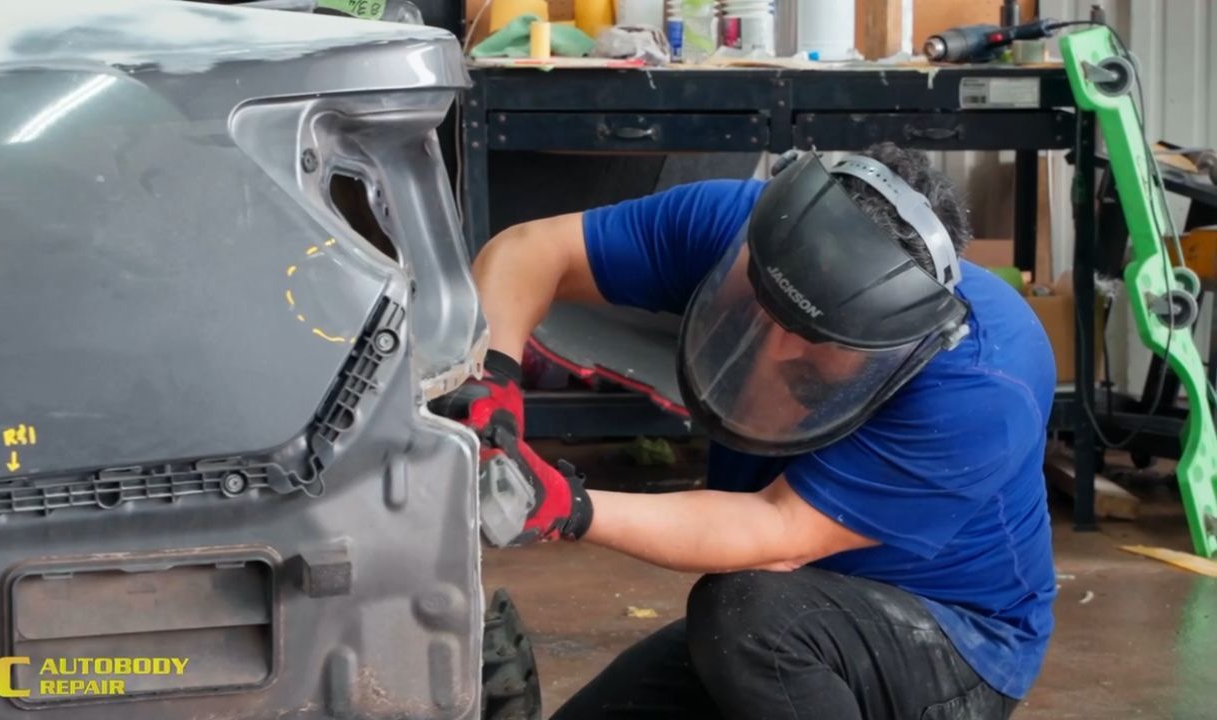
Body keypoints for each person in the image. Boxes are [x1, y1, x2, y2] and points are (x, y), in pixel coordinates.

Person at [443, 143, 1056, 719]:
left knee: (747, 615)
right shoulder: (750, 227)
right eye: (765, 304)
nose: (777, 349)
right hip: (791, 613)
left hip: (950, 637)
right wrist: (489, 379)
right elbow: (531, 249)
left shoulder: (984, 382)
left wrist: (570, 506)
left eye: (818, 339)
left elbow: (777, 529)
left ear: (889, 344)